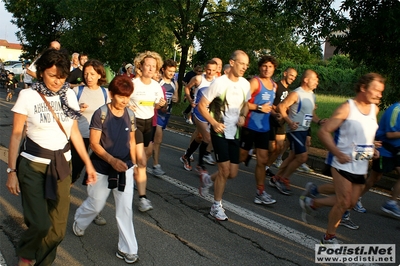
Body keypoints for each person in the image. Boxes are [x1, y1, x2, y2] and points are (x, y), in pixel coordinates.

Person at [5, 48, 96, 266]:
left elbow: (74, 132)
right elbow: (17, 135)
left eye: (62, 76)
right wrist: (11, 171)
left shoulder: (69, 94)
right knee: (39, 224)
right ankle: (27, 253)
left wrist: (88, 164)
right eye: (52, 75)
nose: (57, 81)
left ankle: (43, 262)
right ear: (42, 71)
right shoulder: (28, 95)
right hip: (32, 165)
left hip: (62, 165)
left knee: (57, 232)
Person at [300, 72, 384, 244]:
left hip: (361, 165)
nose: (379, 94)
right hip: (342, 163)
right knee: (343, 201)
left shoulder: (375, 109)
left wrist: (372, 146)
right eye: (376, 90)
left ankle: (313, 203)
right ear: (363, 87)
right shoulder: (347, 108)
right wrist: (337, 153)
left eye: (381, 91)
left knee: (350, 203)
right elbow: (324, 132)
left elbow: (364, 133)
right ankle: (329, 236)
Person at [73, 75, 139, 263]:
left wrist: (133, 164)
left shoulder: (130, 114)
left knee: (125, 207)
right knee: (96, 203)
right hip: (102, 166)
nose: (125, 101)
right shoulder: (101, 113)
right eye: (121, 96)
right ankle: (80, 219)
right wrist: (111, 160)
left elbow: (132, 141)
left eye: (127, 96)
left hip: (124, 167)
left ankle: (127, 249)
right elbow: (94, 144)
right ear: (111, 94)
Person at [198, 50, 251, 221]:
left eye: (246, 64)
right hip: (219, 132)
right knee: (224, 170)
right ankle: (216, 205)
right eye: (242, 63)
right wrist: (213, 123)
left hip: (234, 132)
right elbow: (202, 106)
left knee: (233, 173)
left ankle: (207, 179)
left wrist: (242, 115)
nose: (244, 67)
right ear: (232, 62)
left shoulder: (245, 84)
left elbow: (246, 105)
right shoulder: (219, 83)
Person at [271, 70, 324, 195]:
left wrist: (320, 121)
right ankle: (284, 179)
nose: (317, 81)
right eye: (315, 79)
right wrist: (289, 122)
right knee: (302, 157)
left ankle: (276, 177)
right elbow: (281, 107)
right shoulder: (296, 93)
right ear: (306, 80)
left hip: (304, 130)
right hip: (295, 130)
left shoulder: (312, 95)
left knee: (292, 156)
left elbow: (311, 114)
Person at [130, 51, 166, 212]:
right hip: (134, 123)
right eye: (148, 65)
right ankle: (142, 199)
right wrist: (126, 104)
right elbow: (119, 99)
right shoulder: (133, 84)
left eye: (154, 66)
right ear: (141, 66)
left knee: (140, 159)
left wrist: (161, 104)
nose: (151, 69)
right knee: (143, 162)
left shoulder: (156, 86)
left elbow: (157, 106)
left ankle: (128, 176)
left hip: (148, 124)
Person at [239, 55, 278, 205]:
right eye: (264, 66)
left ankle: (260, 192)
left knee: (262, 160)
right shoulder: (255, 82)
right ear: (260, 67)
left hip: (264, 127)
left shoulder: (274, 85)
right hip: (250, 126)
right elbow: (243, 102)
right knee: (240, 158)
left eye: (270, 66)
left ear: (274, 69)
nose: (267, 69)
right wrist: (259, 107)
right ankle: (220, 170)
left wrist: (275, 113)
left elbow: (269, 104)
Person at [353, 101, 400, 217]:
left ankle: (392, 202)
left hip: (397, 150)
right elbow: (390, 134)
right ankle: (355, 198)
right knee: (375, 177)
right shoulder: (396, 110)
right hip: (385, 149)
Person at [180, 60, 218, 172]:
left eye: (213, 70)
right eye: (208, 70)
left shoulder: (217, 82)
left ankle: (186, 156)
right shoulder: (198, 79)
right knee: (207, 137)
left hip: (209, 113)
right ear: (205, 69)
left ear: (217, 71)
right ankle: (200, 164)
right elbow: (187, 87)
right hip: (197, 110)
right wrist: (190, 99)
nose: (210, 72)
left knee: (200, 137)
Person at [263, 67, 297, 176]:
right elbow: (268, 102)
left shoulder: (289, 91)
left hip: (281, 122)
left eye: (295, 77)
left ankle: (266, 167)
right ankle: (253, 152)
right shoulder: (276, 86)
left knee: (280, 148)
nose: (293, 78)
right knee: (271, 147)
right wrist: (276, 111)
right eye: (291, 75)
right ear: (285, 73)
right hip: (271, 120)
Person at [152, 59, 179, 176]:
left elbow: (176, 98)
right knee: (158, 140)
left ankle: (143, 162)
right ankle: (155, 165)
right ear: (163, 69)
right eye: (169, 71)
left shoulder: (174, 83)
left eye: (173, 71)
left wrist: (175, 98)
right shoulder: (158, 83)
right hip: (157, 114)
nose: (172, 73)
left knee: (153, 142)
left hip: (166, 115)